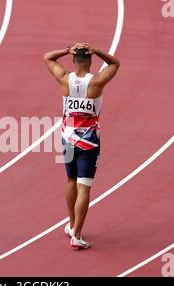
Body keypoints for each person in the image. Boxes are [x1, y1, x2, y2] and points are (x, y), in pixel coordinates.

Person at [43, 43, 120, 249]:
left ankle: (71, 224)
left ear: (74, 61)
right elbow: (115, 63)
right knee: (84, 186)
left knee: (70, 179)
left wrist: (66, 50)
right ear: (90, 61)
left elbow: (48, 57)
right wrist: (98, 49)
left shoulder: (64, 78)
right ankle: (76, 234)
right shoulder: (96, 82)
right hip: (89, 142)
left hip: (67, 139)